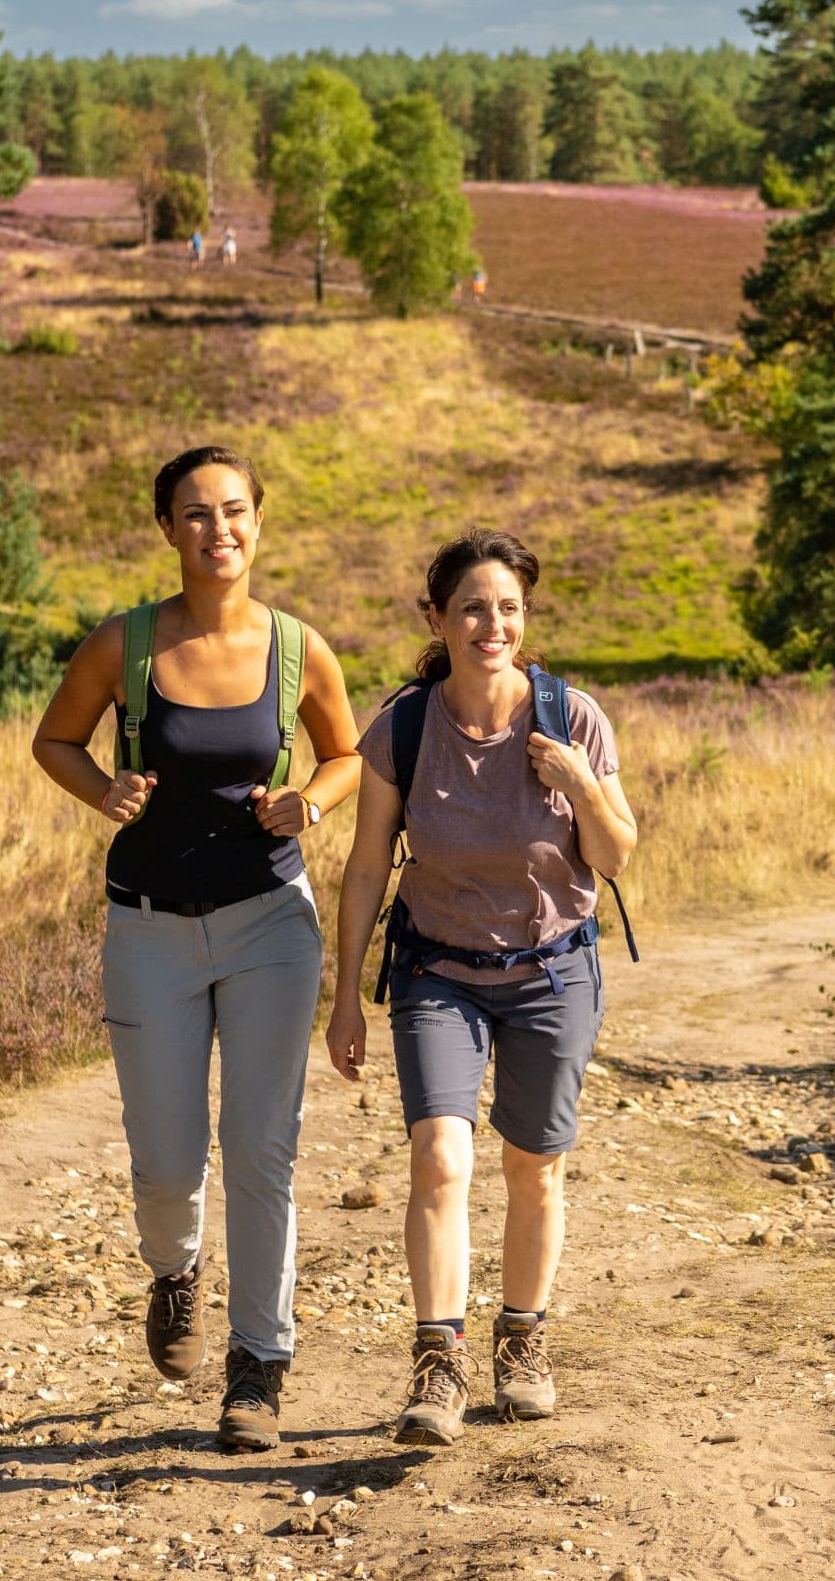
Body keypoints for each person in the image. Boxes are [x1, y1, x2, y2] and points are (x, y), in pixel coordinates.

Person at [31, 446, 362, 1455]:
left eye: (233, 510)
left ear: (258, 521)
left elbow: (346, 754)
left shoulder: (300, 648)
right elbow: (55, 740)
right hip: (149, 927)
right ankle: (176, 1271)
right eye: (195, 513)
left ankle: (258, 1365)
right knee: (168, 1157)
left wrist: (308, 800)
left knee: (263, 1148)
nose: (218, 528)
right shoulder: (123, 644)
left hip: (270, 921)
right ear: (168, 529)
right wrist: (104, 791)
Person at [327, 530, 637, 1446]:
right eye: (471, 607)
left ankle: (523, 1344)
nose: (490, 624)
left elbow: (615, 856)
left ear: (525, 617)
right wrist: (345, 996)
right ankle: (437, 1362)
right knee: (439, 1158)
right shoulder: (404, 727)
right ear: (437, 618)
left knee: (534, 1167)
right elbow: (363, 868)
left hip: (550, 969)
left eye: (507, 607)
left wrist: (579, 780)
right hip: (437, 971)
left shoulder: (573, 718)